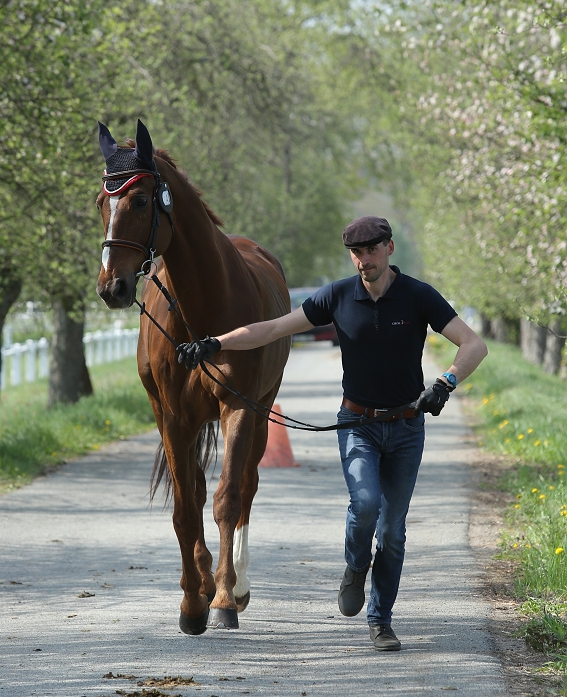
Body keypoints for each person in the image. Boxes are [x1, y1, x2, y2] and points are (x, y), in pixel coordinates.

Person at [178, 216, 488, 651]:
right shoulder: (338, 296)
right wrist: (216, 342)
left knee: (394, 532)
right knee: (365, 506)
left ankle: (380, 621)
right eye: (357, 253)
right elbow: (271, 329)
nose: (365, 260)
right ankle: (356, 566)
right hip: (357, 423)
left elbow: (474, 344)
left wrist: (445, 383)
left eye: (373, 250)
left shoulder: (418, 296)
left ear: (390, 249)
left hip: (405, 428)